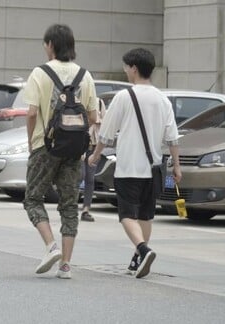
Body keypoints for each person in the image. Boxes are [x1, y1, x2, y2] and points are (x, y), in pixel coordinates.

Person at [88, 48, 182, 279]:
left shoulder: (124, 97)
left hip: (129, 167)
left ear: (134, 69)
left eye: (126, 67)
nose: (125, 71)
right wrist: (177, 167)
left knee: (127, 215)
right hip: (154, 168)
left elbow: (107, 134)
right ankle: (138, 259)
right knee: (146, 216)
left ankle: (143, 249)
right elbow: (172, 137)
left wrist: (96, 155)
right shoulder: (163, 99)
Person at [23, 24, 98, 279]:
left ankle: (50, 246)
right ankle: (65, 265)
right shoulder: (85, 76)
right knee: (68, 205)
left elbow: (32, 112)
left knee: (33, 198)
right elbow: (93, 115)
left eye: (46, 44)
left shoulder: (39, 73)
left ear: (51, 45)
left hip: (45, 146)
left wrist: (31, 141)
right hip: (74, 149)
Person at [80, 98, 106, 222]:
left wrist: (99, 150)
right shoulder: (78, 101)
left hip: (93, 145)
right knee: (80, 175)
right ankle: (69, 206)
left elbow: (105, 125)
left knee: (90, 178)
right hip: (79, 145)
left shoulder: (99, 103)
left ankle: (86, 209)